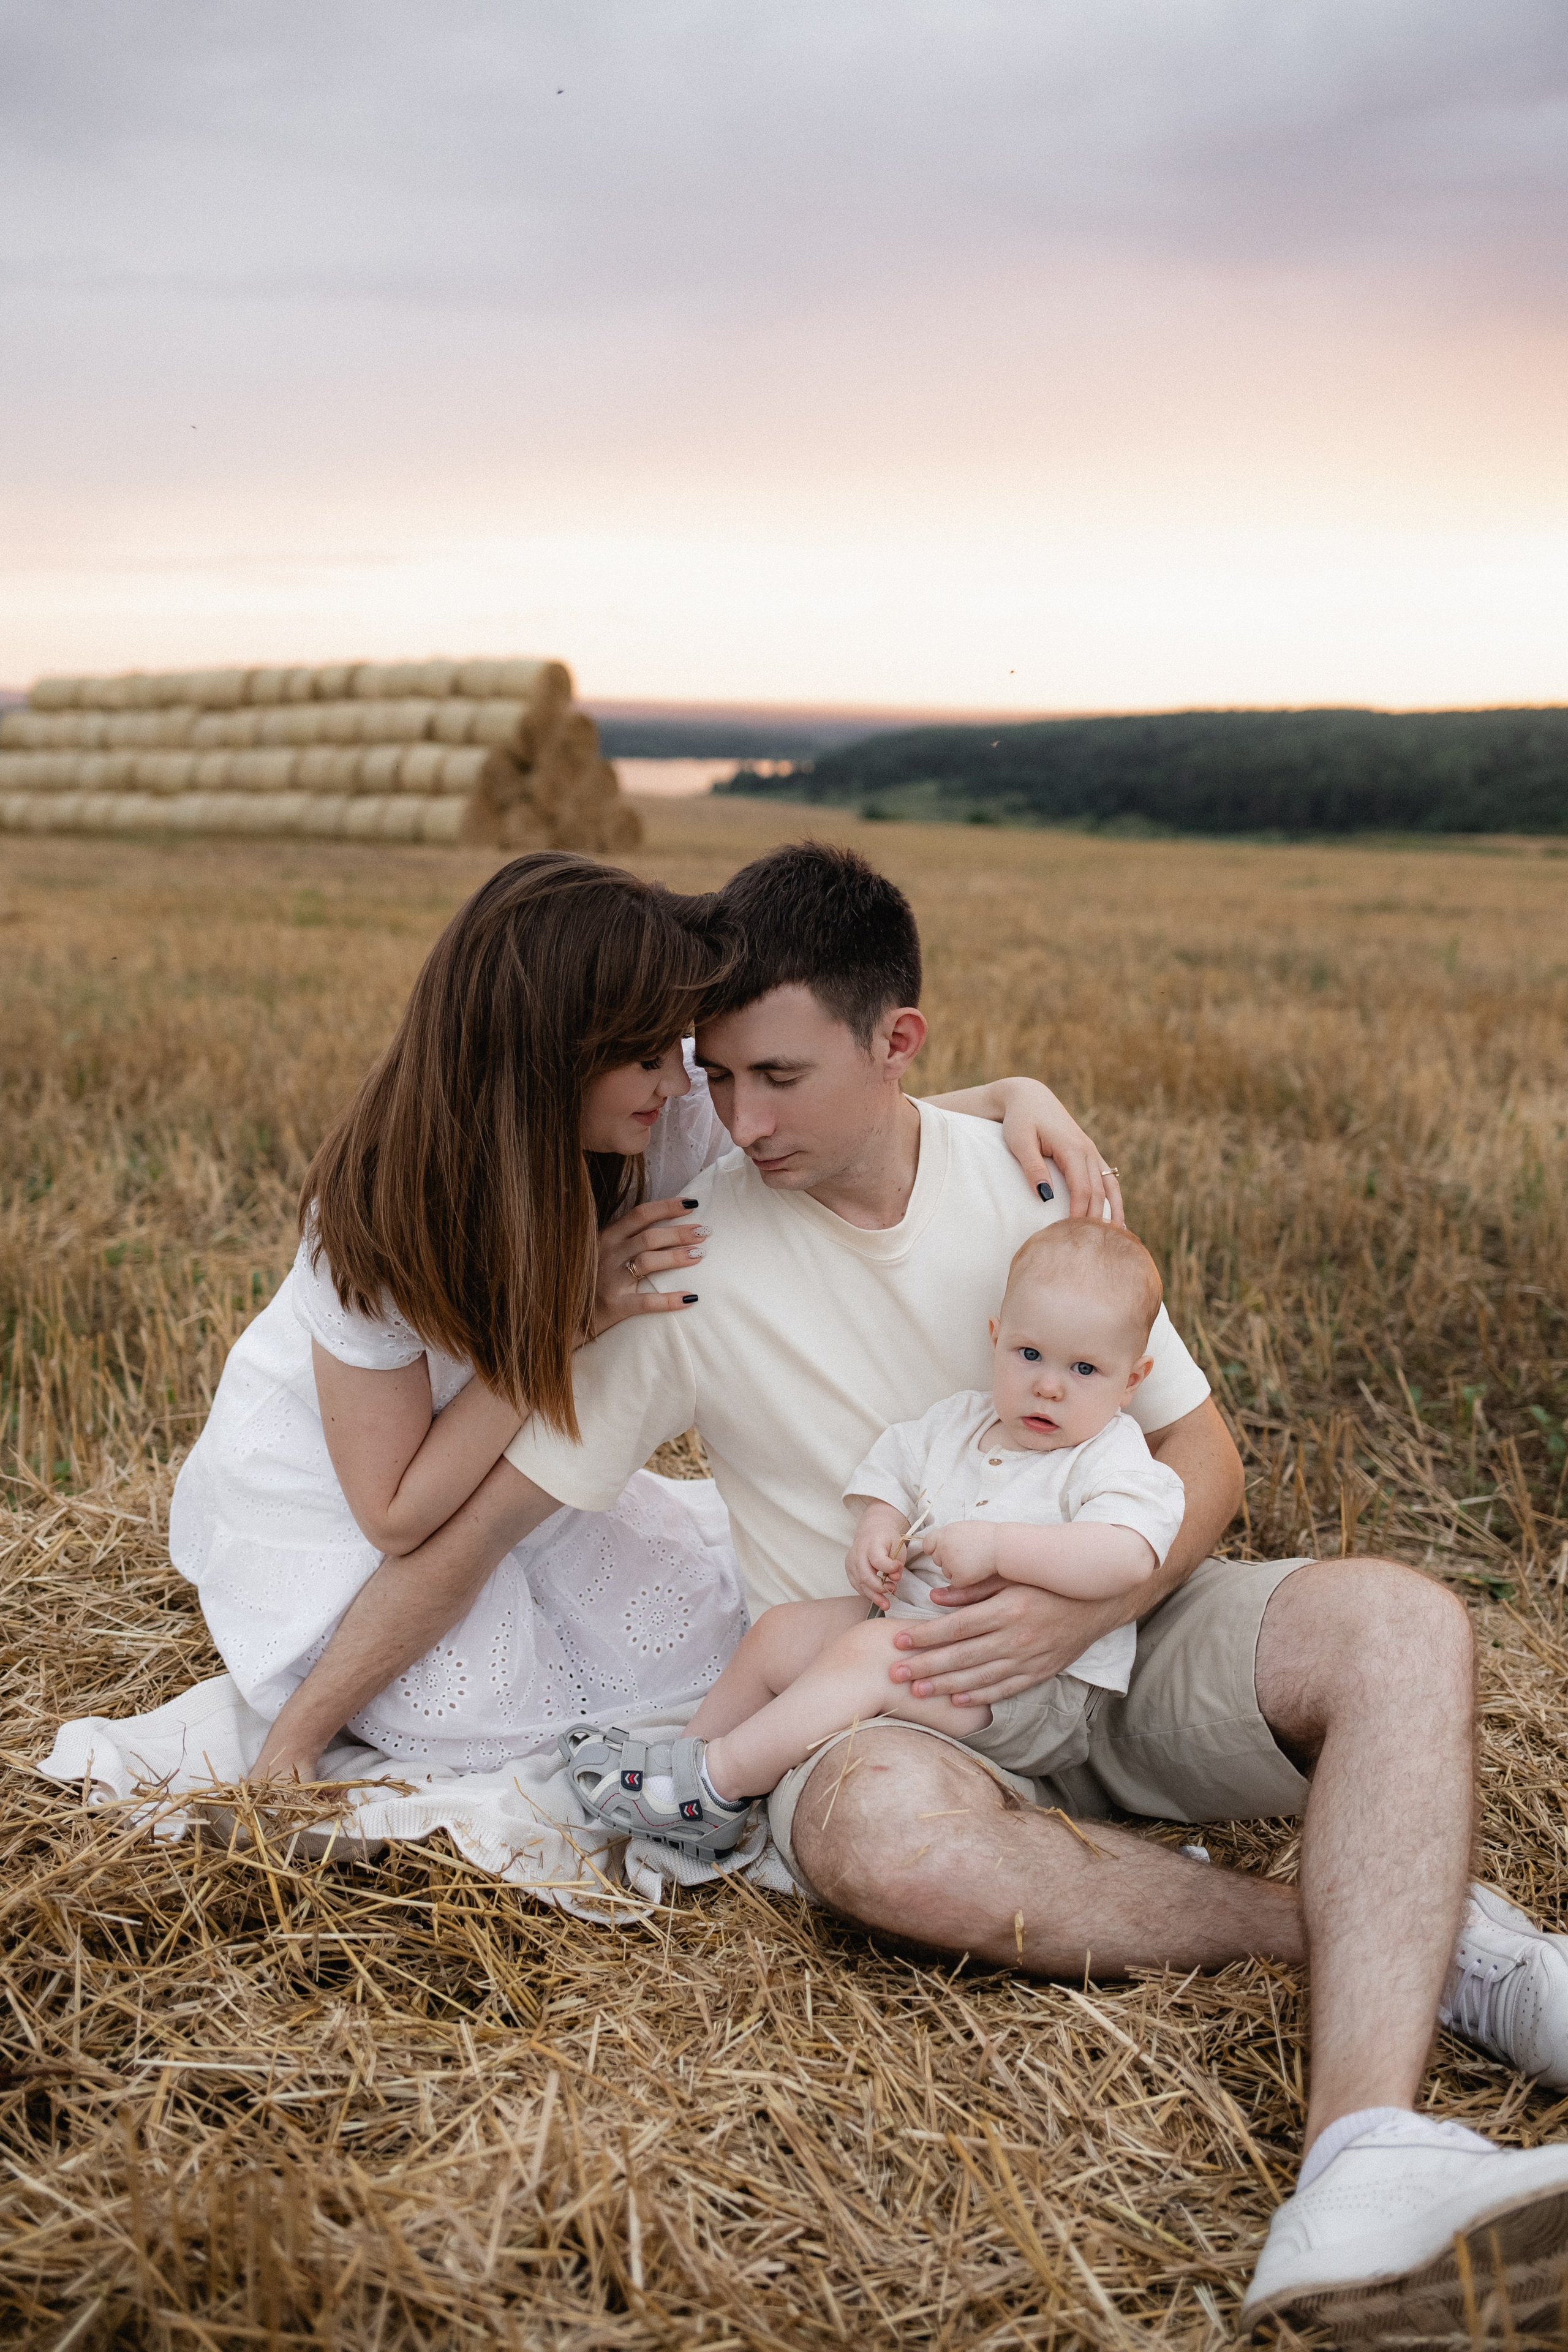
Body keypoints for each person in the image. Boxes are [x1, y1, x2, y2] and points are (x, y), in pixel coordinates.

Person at [437, 837, 1568, 2340]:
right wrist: (293, 1728)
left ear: (894, 1042)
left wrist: (1091, 1602)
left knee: (1405, 1620)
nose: (733, 1118)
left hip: (1128, 1632)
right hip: (893, 1695)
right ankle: (1424, 1944)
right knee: (878, 1843)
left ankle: (1358, 2155)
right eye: (717, 1077)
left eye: (776, 1075)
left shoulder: (1032, 1188)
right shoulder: (688, 1258)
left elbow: (1200, 1454)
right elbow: (481, 1519)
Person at [173, 848, 1116, 1787]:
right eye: (647, 1056)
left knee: (678, 1650)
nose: (685, 1081)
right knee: (458, 1707)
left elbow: (832, 1124)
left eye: (683, 1051)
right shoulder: (377, 1222)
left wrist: (1009, 1100)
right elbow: (399, 1516)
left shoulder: (659, 1109)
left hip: (525, 1420)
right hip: (359, 1476)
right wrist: (570, 1320)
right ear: (549, 1065)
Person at [558, 1218, 1186, 1845]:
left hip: (1029, 1688)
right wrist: (879, 1529)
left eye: (1084, 1369)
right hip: (924, 1635)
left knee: (872, 1655)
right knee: (780, 1632)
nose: (1048, 1385)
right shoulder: (958, 1423)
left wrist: (999, 1548)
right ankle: (684, 1761)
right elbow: (894, 1472)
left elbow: (1128, 1555)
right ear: (995, 1340)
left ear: (1131, 1381)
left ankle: (713, 1791)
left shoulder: (1109, 1456)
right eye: (1029, 1355)